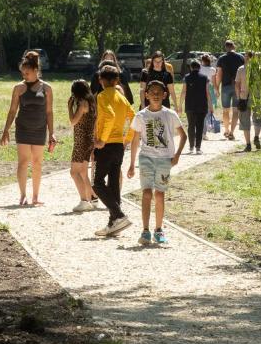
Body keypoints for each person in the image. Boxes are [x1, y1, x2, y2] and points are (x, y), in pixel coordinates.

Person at [127, 80, 186, 245]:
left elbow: (183, 135)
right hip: (146, 159)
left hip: (164, 160)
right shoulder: (141, 116)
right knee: (146, 193)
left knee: (159, 194)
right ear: (146, 95)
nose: (155, 95)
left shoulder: (170, 114)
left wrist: (177, 155)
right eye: (151, 92)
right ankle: (145, 231)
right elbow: (135, 139)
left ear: (164, 95)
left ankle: (158, 229)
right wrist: (132, 164)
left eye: (159, 92)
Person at [0, 51, 56, 206]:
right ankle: (23, 195)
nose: (24, 76)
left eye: (27, 73)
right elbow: (12, 111)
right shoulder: (18, 88)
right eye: (22, 73)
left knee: (37, 162)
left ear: (36, 71)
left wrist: (52, 133)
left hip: (39, 130)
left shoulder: (47, 88)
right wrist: (6, 130)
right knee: (23, 162)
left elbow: (49, 112)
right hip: (23, 129)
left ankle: (36, 196)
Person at [92, 65, 135, 237]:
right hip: (118, 145)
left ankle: (119, 215)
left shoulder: (102, 96)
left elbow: (108, 116)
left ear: (101, 80)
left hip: (107, 145)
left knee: (97, 183)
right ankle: (113, 223)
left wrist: (102, 139)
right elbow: (134, 117)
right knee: (113, 184)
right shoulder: (122, 97)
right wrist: (127, 139)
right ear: (117, 80)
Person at [67, 80, 97, 212]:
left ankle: (84, 201)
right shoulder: (92, 103)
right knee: (83, 172)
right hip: (89, 140)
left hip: (81, 141)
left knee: (74, 172)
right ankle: (93, 197)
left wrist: (69, 108)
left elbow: (73, 121)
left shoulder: (83, 103)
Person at [179, 60, 211, 154]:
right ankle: (198, 148)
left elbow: (183, 92)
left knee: (191, 126)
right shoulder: (205, 78)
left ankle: (191, 146)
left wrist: (180, 105)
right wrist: (210, 105)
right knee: (200, 126)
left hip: (190, 105)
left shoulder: (187, 78)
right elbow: (207, 92)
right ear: (199, 67)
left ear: (191, 68)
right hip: (202, 105)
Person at [215, 40, 245, 140]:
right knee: (236, 111)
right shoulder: (240, 57)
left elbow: (219, 74)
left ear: (226, 47)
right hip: (238, 86)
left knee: (225, 111)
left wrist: (217, 88)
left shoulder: (222, 58)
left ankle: (226, 130)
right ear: (234, 46)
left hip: (225, 87)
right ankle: (232, 132)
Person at [236, 51, 261, 152]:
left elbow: (237, 84)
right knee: (258, 119)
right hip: (257, 97)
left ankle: (248, 145)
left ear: (246, 57)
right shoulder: (260, 69)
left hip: (244, 98)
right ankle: (256, 137)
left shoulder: (241, 69)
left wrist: (238, 96)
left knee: (244, 122)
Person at [199, 54, 218, 140]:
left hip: (200, 89)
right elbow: (214, 82)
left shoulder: (199, 68)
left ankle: (201, 131)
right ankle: (204, 133)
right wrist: (217, 91)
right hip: (209, 89)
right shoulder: (213, 70)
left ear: (202, 60)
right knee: (207, 112)